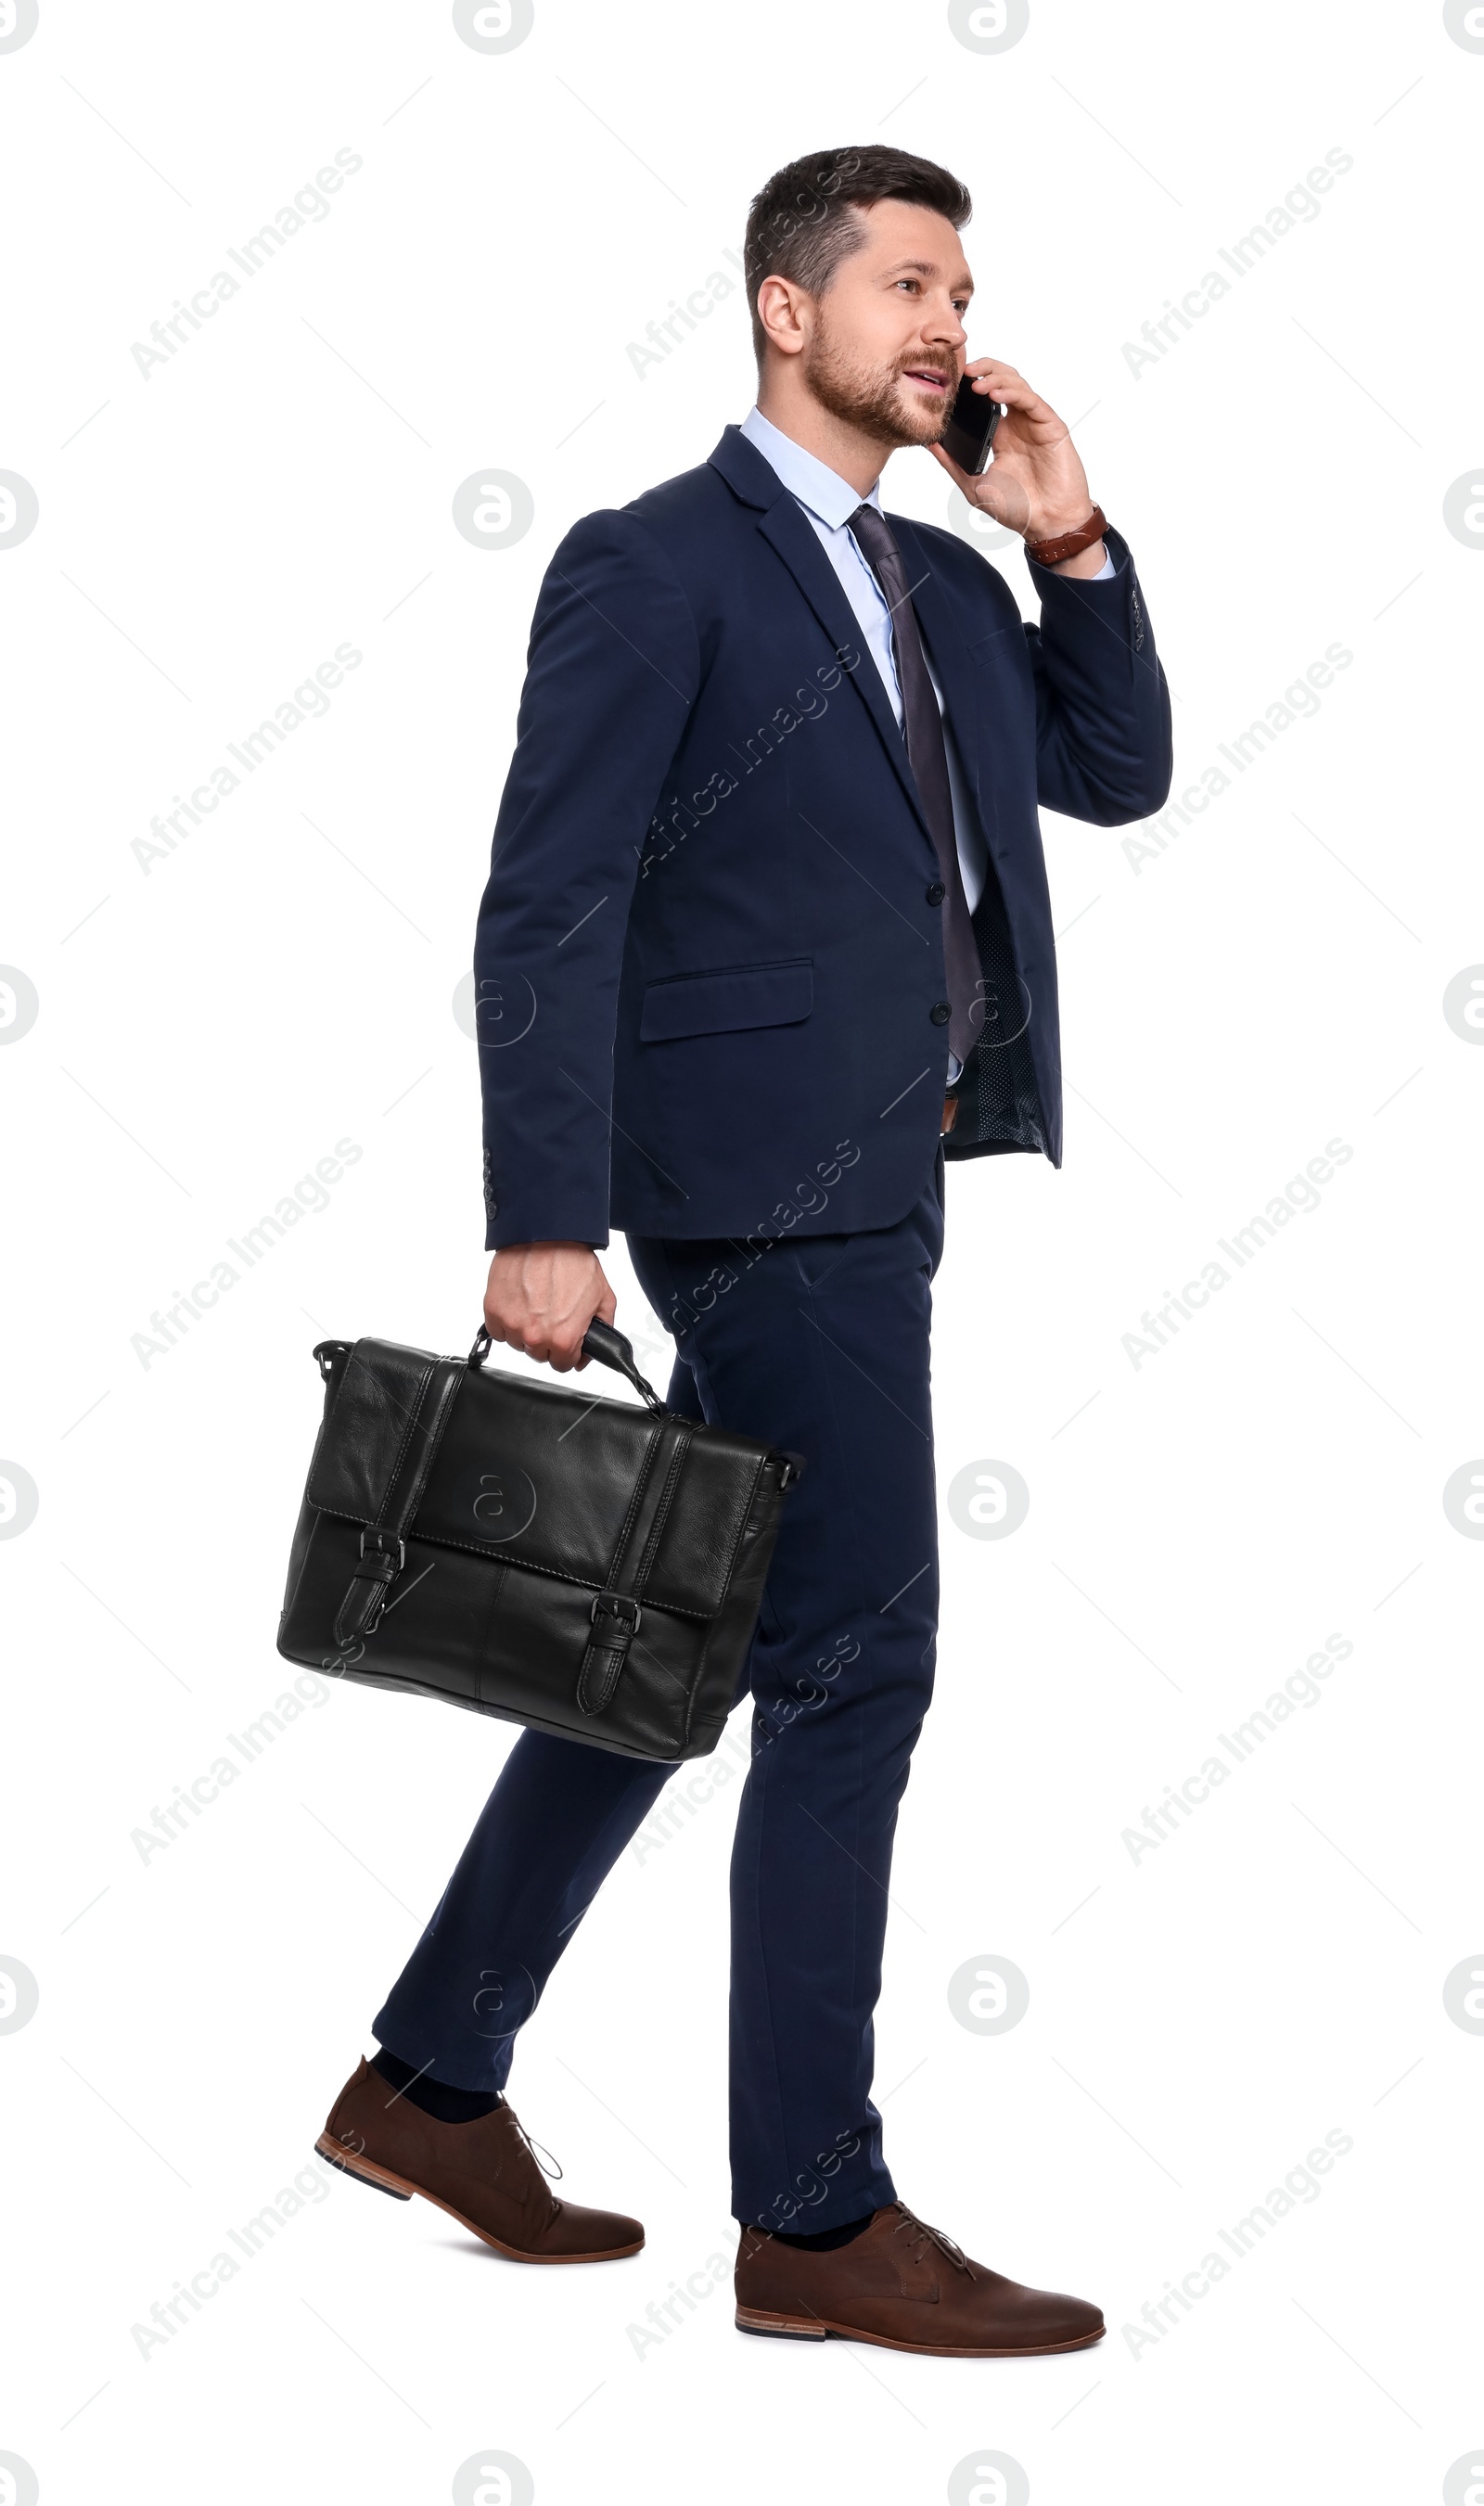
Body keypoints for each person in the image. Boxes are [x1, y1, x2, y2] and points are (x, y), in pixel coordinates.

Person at [318, 143, 1171, 2357]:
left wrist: (1062, 535)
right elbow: (550, 895)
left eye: (960, 286)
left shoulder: (949, 585)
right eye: (905, 281)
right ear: (786, 310)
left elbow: (1122, 768)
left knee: (674, 1631)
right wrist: (537, 1213)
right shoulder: (652, 565)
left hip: (888, 1178)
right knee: (851, 1664)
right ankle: (810, 2212)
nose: (945, 322)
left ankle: (429, 2077)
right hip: (752, 1195)